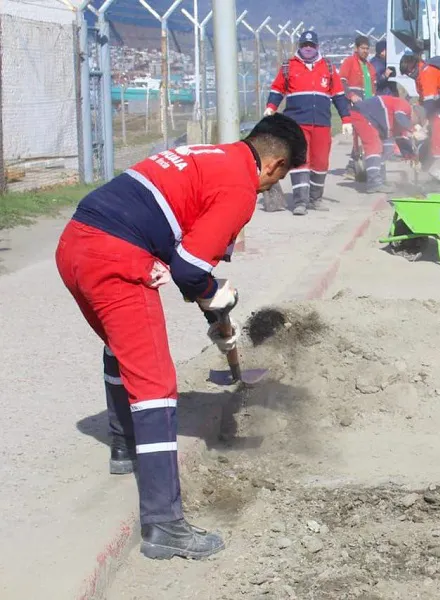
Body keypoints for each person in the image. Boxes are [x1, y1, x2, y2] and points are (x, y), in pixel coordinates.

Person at [54, 114, 307, 560]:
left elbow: (186, 253)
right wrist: (214, 294)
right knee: (155, 388)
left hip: (75, 246)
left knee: (122, 345)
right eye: (281, 177)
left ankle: (123, 445)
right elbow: (190, 270)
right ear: (276, 165)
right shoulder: (239, 189)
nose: (273, 186)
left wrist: (210, 300)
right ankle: (164, 526)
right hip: (115, 259)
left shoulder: (209, 157)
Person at [265, 30, 352, 216]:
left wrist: (346, 119)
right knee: (300, 162)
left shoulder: (328, 67)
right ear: (300, 46)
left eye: (311, 46)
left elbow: (338, 95)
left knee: (320, 162)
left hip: (322, 123)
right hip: (297, 123)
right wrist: (271, 106)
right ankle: (300, 202)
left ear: (317, 47)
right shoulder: (289, 66)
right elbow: (277, 89)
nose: (308, 48)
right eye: (305, 45)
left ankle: (315, 199)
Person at [349, 94, 426, 193]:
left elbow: (401, 139)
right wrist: (413, 130)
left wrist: (410, 155)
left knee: (387, 149)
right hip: (363, 114)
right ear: (415, 114)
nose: (415, 124)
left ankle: (380, 180)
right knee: (374, 146)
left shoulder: (401, 121)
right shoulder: (405, 106)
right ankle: (374, 183)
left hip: (374, 121)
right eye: (417, 122)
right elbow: (399, 117)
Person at [399, 53, 440, 162]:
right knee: (439, 136)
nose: (409, 74)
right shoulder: (420, 75)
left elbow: (429, 103)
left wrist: (424, 122)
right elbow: (424, 99)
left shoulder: (427, 73)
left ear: (413, 64)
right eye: (407, 74)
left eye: (409, 71)